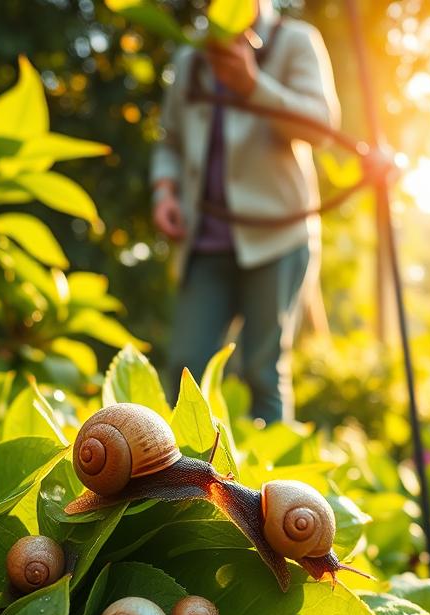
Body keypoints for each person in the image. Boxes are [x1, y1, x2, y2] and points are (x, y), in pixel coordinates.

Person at [151, 0, 340, 424]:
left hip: (278, 236)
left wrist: (253, 84)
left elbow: (321, 128)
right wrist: (164, 192)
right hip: (205, 240)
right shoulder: (191, 57)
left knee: (263, 371)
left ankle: (278, 489)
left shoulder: (295, 42)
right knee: (184, 368)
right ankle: (176, 484)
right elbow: (171, 140)